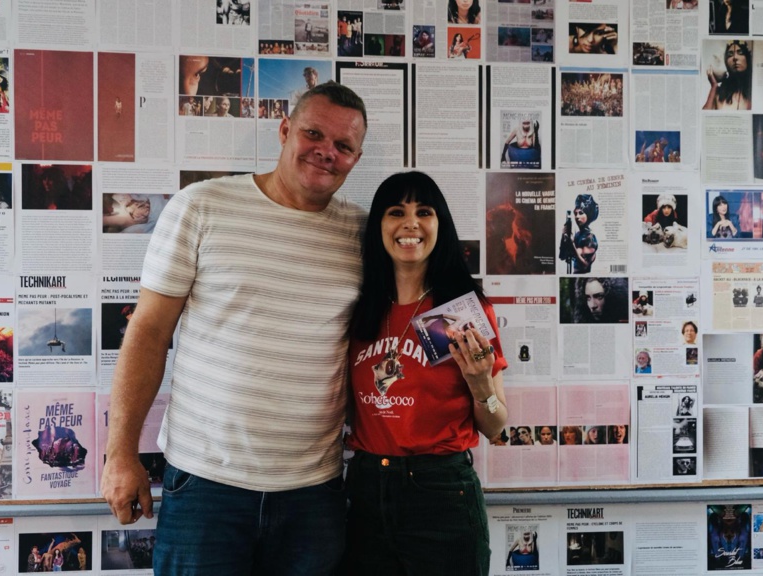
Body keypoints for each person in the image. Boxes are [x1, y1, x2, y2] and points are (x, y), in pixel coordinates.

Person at [100, 81, 367, 575]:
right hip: (206, 489)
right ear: (285, 130)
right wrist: (120, 454)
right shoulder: (202, 206)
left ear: (356, 157)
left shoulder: (360, 232)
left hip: (314, 494)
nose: (326, 152)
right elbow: (148, 333)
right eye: (314, 133)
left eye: (344, 146)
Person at [343, 171, 507, 576]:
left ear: (440, 225)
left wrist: (480, 383)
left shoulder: (458, 312)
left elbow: (496, 426)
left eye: (424, 212)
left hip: (440, 492)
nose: (410, 223)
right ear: (379, 225)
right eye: (396, 212)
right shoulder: (360, 308)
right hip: (364, 488)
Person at [703, 40, 752, 111]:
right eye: (730, 55)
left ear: (747, 58)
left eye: (740, 53)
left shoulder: (754, 90)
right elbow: (704, 116)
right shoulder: (719, 93)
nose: (735, 57)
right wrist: (714, 86)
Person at [559, 194, 599, 274]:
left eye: (581, 213)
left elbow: (585, 265)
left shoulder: (590, 238)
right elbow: (562, 256)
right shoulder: (577, 235)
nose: (577, 217)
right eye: (576, 213)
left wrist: (571, 244)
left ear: (588, 214)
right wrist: (564, 236)